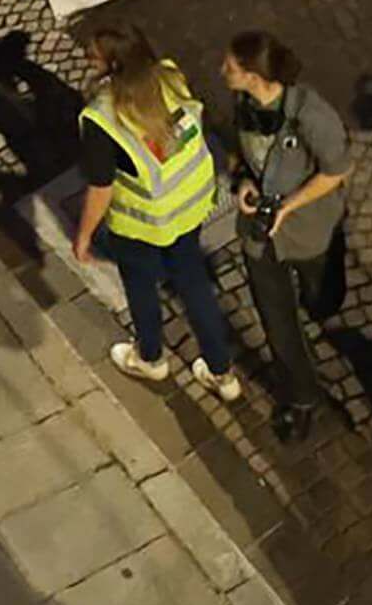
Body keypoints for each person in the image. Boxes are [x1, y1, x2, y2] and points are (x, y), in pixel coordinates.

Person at [68, 21, 244, 399]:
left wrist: (83, 237)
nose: (87, 58)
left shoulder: (102, 118)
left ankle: (150, 358)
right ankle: (222, 373)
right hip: (190, 206)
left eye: (93, 55)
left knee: (141, 287)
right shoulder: (169, 75)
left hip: (143, 223)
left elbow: (101, 188)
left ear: (112, 66)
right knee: (195, 286)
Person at [220, 31, 351, 444]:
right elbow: (238, 153)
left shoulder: (311, 115)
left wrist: (287, 206)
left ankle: (323, 297)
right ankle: (302, 396)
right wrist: (242, 181)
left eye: (230, 66)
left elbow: (337, 170)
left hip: (310, 231)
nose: (221, 71)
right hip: (262, 237)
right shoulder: (243, 102)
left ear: (254, 75)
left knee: (323, 296)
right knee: (277, 318)